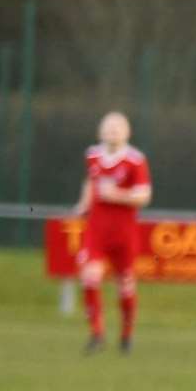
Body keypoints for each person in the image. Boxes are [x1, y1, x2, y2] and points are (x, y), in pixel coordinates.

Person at [73, 112, 152, 354]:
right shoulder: (93, 155)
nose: (112, 131)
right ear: (100, 131)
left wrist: (117, 195)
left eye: (118, 127)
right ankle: (96, 333)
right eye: (108, 127)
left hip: (124, 232)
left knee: (125, 285)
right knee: (90, 277)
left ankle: (126, 336)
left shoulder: (135, 160)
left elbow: (144, 196)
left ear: (127, 132)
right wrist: (83, 204)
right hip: (96, 229)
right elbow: (90, 182)